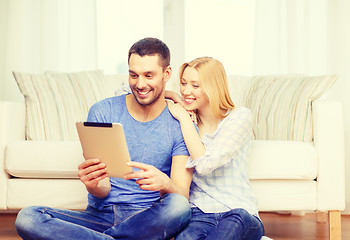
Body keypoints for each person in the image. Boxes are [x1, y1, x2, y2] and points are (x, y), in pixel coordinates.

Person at [15, 37, 193, 240]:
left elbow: (181, 194)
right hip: (99, 217)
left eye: (149, 75)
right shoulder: (102, 111)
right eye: (133, 75)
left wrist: (165, 183)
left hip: (147, 219)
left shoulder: (180, 123)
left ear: (166, 73)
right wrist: (93, 184)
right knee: (28, 217)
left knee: (179, 207)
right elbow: (102, 190)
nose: (140, 84)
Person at [166, 57, 265, 240]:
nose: (186, 91)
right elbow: (125, 93)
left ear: (213, 87)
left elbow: (204, 165)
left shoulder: (239, 117)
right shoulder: (188, 121)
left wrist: (183, 117)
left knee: (231, 227)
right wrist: (171, 95)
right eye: (183, 83)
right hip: (199, 214)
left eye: (195, 86)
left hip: (237, 212)